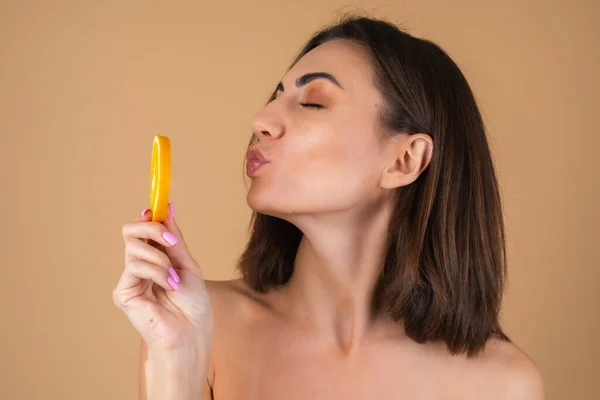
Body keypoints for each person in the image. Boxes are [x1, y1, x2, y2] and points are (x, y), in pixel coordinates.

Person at [113, 14, 545, 400]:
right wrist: (176, 361)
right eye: (276, 96)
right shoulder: (200, 327)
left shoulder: (504, 384)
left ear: (404, 160)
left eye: (313, 102)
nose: (261, 119)